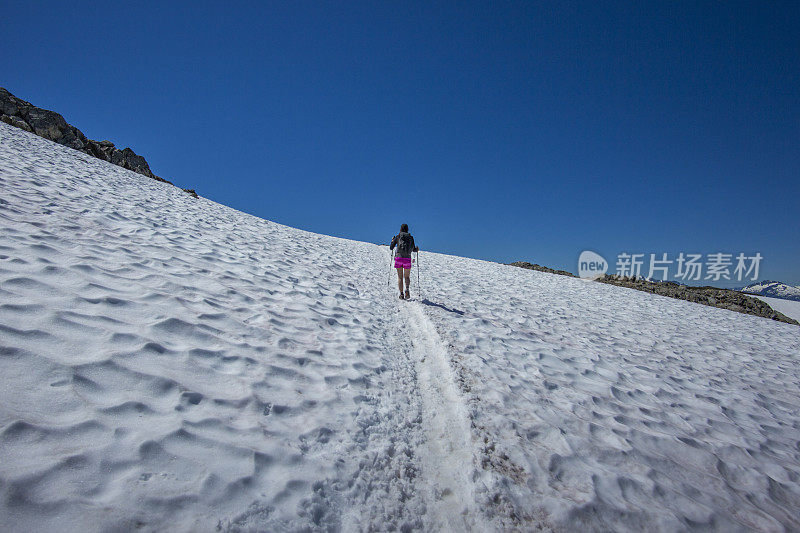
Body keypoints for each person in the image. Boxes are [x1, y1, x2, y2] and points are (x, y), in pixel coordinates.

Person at [390, 223, 419, 300]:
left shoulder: (398, 236)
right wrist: (417, 249)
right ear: (407, 229)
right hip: (407, 258)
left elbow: (391, 247)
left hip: (399, 258)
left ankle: (401, 294)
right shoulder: (411, 237)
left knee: (400, 277)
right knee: (406, 276)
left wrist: (392, 241)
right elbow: (414, 249)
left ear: (401, 229)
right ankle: (407, 289)